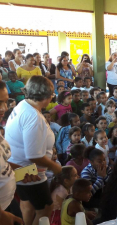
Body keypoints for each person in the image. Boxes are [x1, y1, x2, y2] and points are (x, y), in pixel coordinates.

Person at [6, 76, 62, 225]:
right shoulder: (33, 117)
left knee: (27, 203)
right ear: (47, 96)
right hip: (30, 172)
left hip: (18, 166)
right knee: (45, 208)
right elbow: (33, 155)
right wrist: (54, 166)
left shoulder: (23, 104)